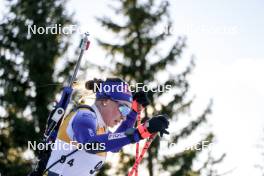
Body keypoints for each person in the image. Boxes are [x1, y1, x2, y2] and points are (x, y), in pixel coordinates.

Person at [45, 78, 169, 176]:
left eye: (127, 111)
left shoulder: (101, 126)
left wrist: (134, 112)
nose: (124, 117)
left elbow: (114, 143)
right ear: (105, 101)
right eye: (124, 109)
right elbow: (91, 144)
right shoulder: (84, 116)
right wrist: (140, 132)